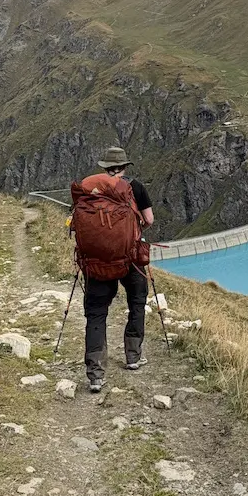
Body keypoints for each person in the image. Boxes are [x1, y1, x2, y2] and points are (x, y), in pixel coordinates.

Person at [75, 146, 155, 392]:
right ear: (125, 166)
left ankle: (96, 373)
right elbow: (149, 220)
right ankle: (133, 356)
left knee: (97, 313)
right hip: (129, 258)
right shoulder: (135, 187)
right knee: (137, 302)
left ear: (104, 167)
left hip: (97, 262)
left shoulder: (90, 190)